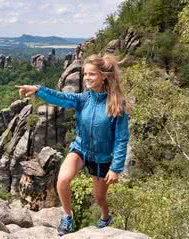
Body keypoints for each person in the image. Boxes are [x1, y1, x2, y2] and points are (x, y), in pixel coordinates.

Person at [15, 54, 129, 236]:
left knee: (99, 198)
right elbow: (60, 97)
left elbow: (121, 139)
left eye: (92, 74)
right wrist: (37, 89)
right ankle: (67, 216)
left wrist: (115, 168)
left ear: (103, 76)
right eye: (85, 74)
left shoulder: (116, 104)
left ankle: (106, 217)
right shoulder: (83, 99)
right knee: (62, 180)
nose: (87, 78)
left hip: (101, 158)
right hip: (80, 149)